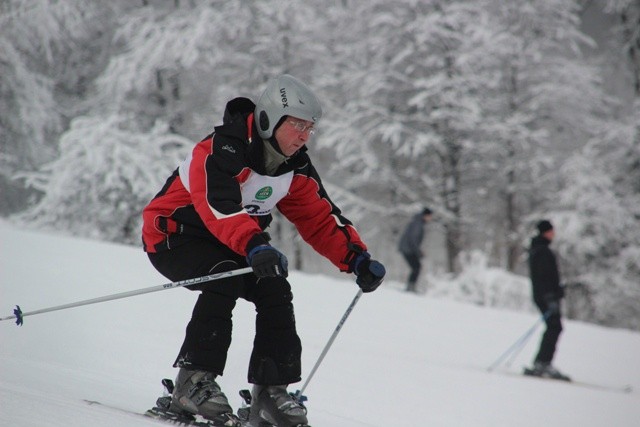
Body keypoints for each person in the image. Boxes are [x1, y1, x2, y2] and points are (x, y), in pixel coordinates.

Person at [141, 74, 386, 427]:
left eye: (310, 128)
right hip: (174, 238)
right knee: (224, 273)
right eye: (298, 125)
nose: (304, 136)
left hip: (236, 243)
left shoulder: (294, 166)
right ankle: (192, 382)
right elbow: (219, 205)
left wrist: (356, 257)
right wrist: (255, 244)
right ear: (270, 119)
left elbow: (319, 217)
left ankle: (271, 393)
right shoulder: (222, 150)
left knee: (275, 286)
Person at [525, 219, 570, 381]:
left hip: (544, 296)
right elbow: (544, 277)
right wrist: (550, 296)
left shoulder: (538, 249)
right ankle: (543, 363)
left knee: (554, 327)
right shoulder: (542, 251)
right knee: (554, 327)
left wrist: (558, 290)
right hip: (546, 297)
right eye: (551, 231)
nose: (553, 233)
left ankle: (542, 362)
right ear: (545, 232)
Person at [397, 207, 433, 292]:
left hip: (407, 248)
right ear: (426, 215)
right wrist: (418, 252)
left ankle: (411, 286)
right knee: (416, 267)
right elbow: (413, 239)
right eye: (430, 216)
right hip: (408, 248)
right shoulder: (418, 224)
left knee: (416, 267)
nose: (430, 218)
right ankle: (410, 287)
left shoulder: (418, 221)